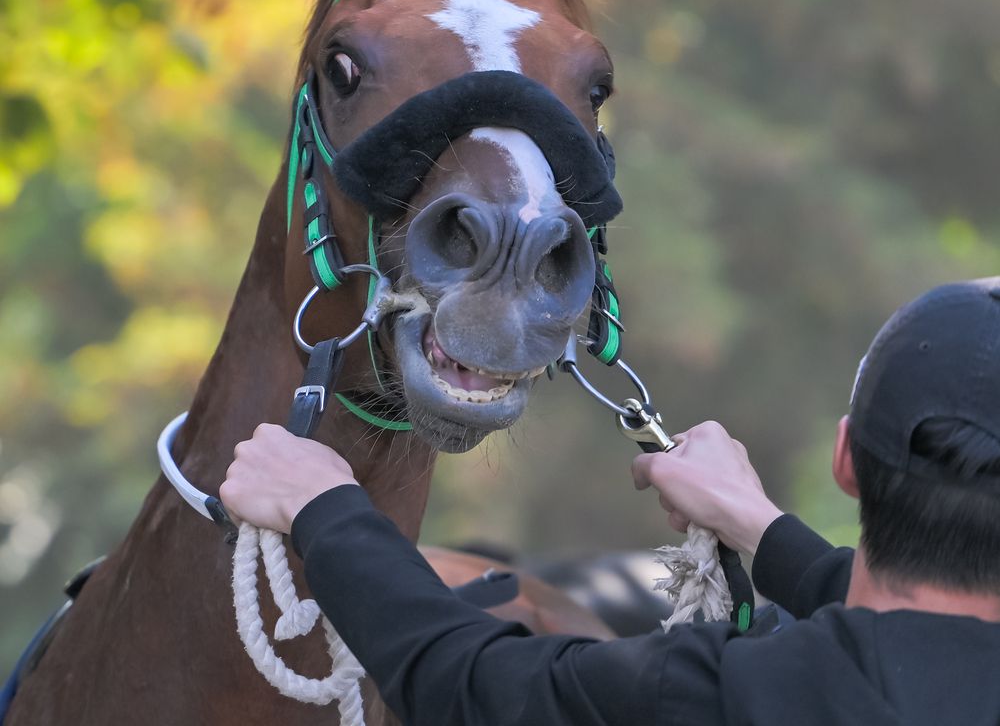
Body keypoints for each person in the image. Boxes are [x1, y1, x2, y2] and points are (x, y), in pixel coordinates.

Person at [221, 277, 1000, 725]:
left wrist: (325, 506)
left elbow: (468, 686)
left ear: (846, 461)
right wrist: (763, 530)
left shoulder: (733, 694)